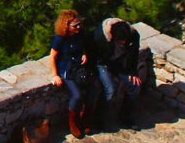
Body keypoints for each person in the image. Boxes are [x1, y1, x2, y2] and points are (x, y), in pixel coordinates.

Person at [49, 10, 94, 138]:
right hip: (67, 69)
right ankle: (73, 122)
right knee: (77, 95)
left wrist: (84, 53)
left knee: (92, 91)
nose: (78, 27)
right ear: (66, 26)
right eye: (75, 26)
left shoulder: (80, 34)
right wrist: (55, 75)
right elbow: (52, 56)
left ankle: (85, 120)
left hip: (79, 69)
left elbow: (83, 46)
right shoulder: (60, 39)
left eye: (79, 24)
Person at [97, 19, 144, 126]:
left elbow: (134, 54)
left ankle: (125, 117)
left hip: (120, 64)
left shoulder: (133, 35)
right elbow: (94, 54)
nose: (122, 44)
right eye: (119, 42)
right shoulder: (100, 36)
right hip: (102, 63)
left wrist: (133, 72)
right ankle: (100, 119)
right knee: (110, 89)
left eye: (124, 42)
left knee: (134, 85)